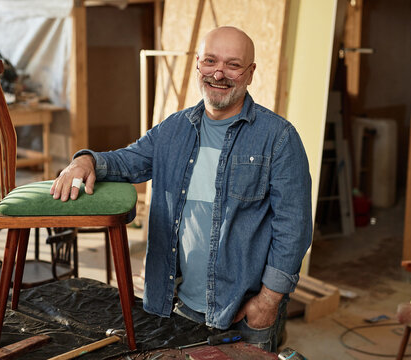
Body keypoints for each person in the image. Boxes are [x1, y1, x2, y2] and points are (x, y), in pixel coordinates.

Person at [50, 26, 312, 352]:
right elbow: (127, 161)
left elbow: (294, 227)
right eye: (211, 61)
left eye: (233, 65)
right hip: (182, 304)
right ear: (198, 65)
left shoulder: (279, 138)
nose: (219, 73)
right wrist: (85, 161)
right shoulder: (174, 130)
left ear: (250, 73)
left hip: (245, 312)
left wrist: (268, 301)